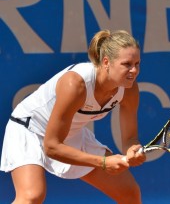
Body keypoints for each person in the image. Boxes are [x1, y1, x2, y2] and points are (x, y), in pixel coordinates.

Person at [0, 29, 146, 204]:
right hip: (29, 128)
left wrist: (132, 150)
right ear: (106, 62)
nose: (134, 70)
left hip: (70, 133)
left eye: (137, 63)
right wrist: (103, 162)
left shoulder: (129, 90)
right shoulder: (75, 84)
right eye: (127, 64)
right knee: (32, 196)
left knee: (129, 193)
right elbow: (52, 146)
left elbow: (130, 138)